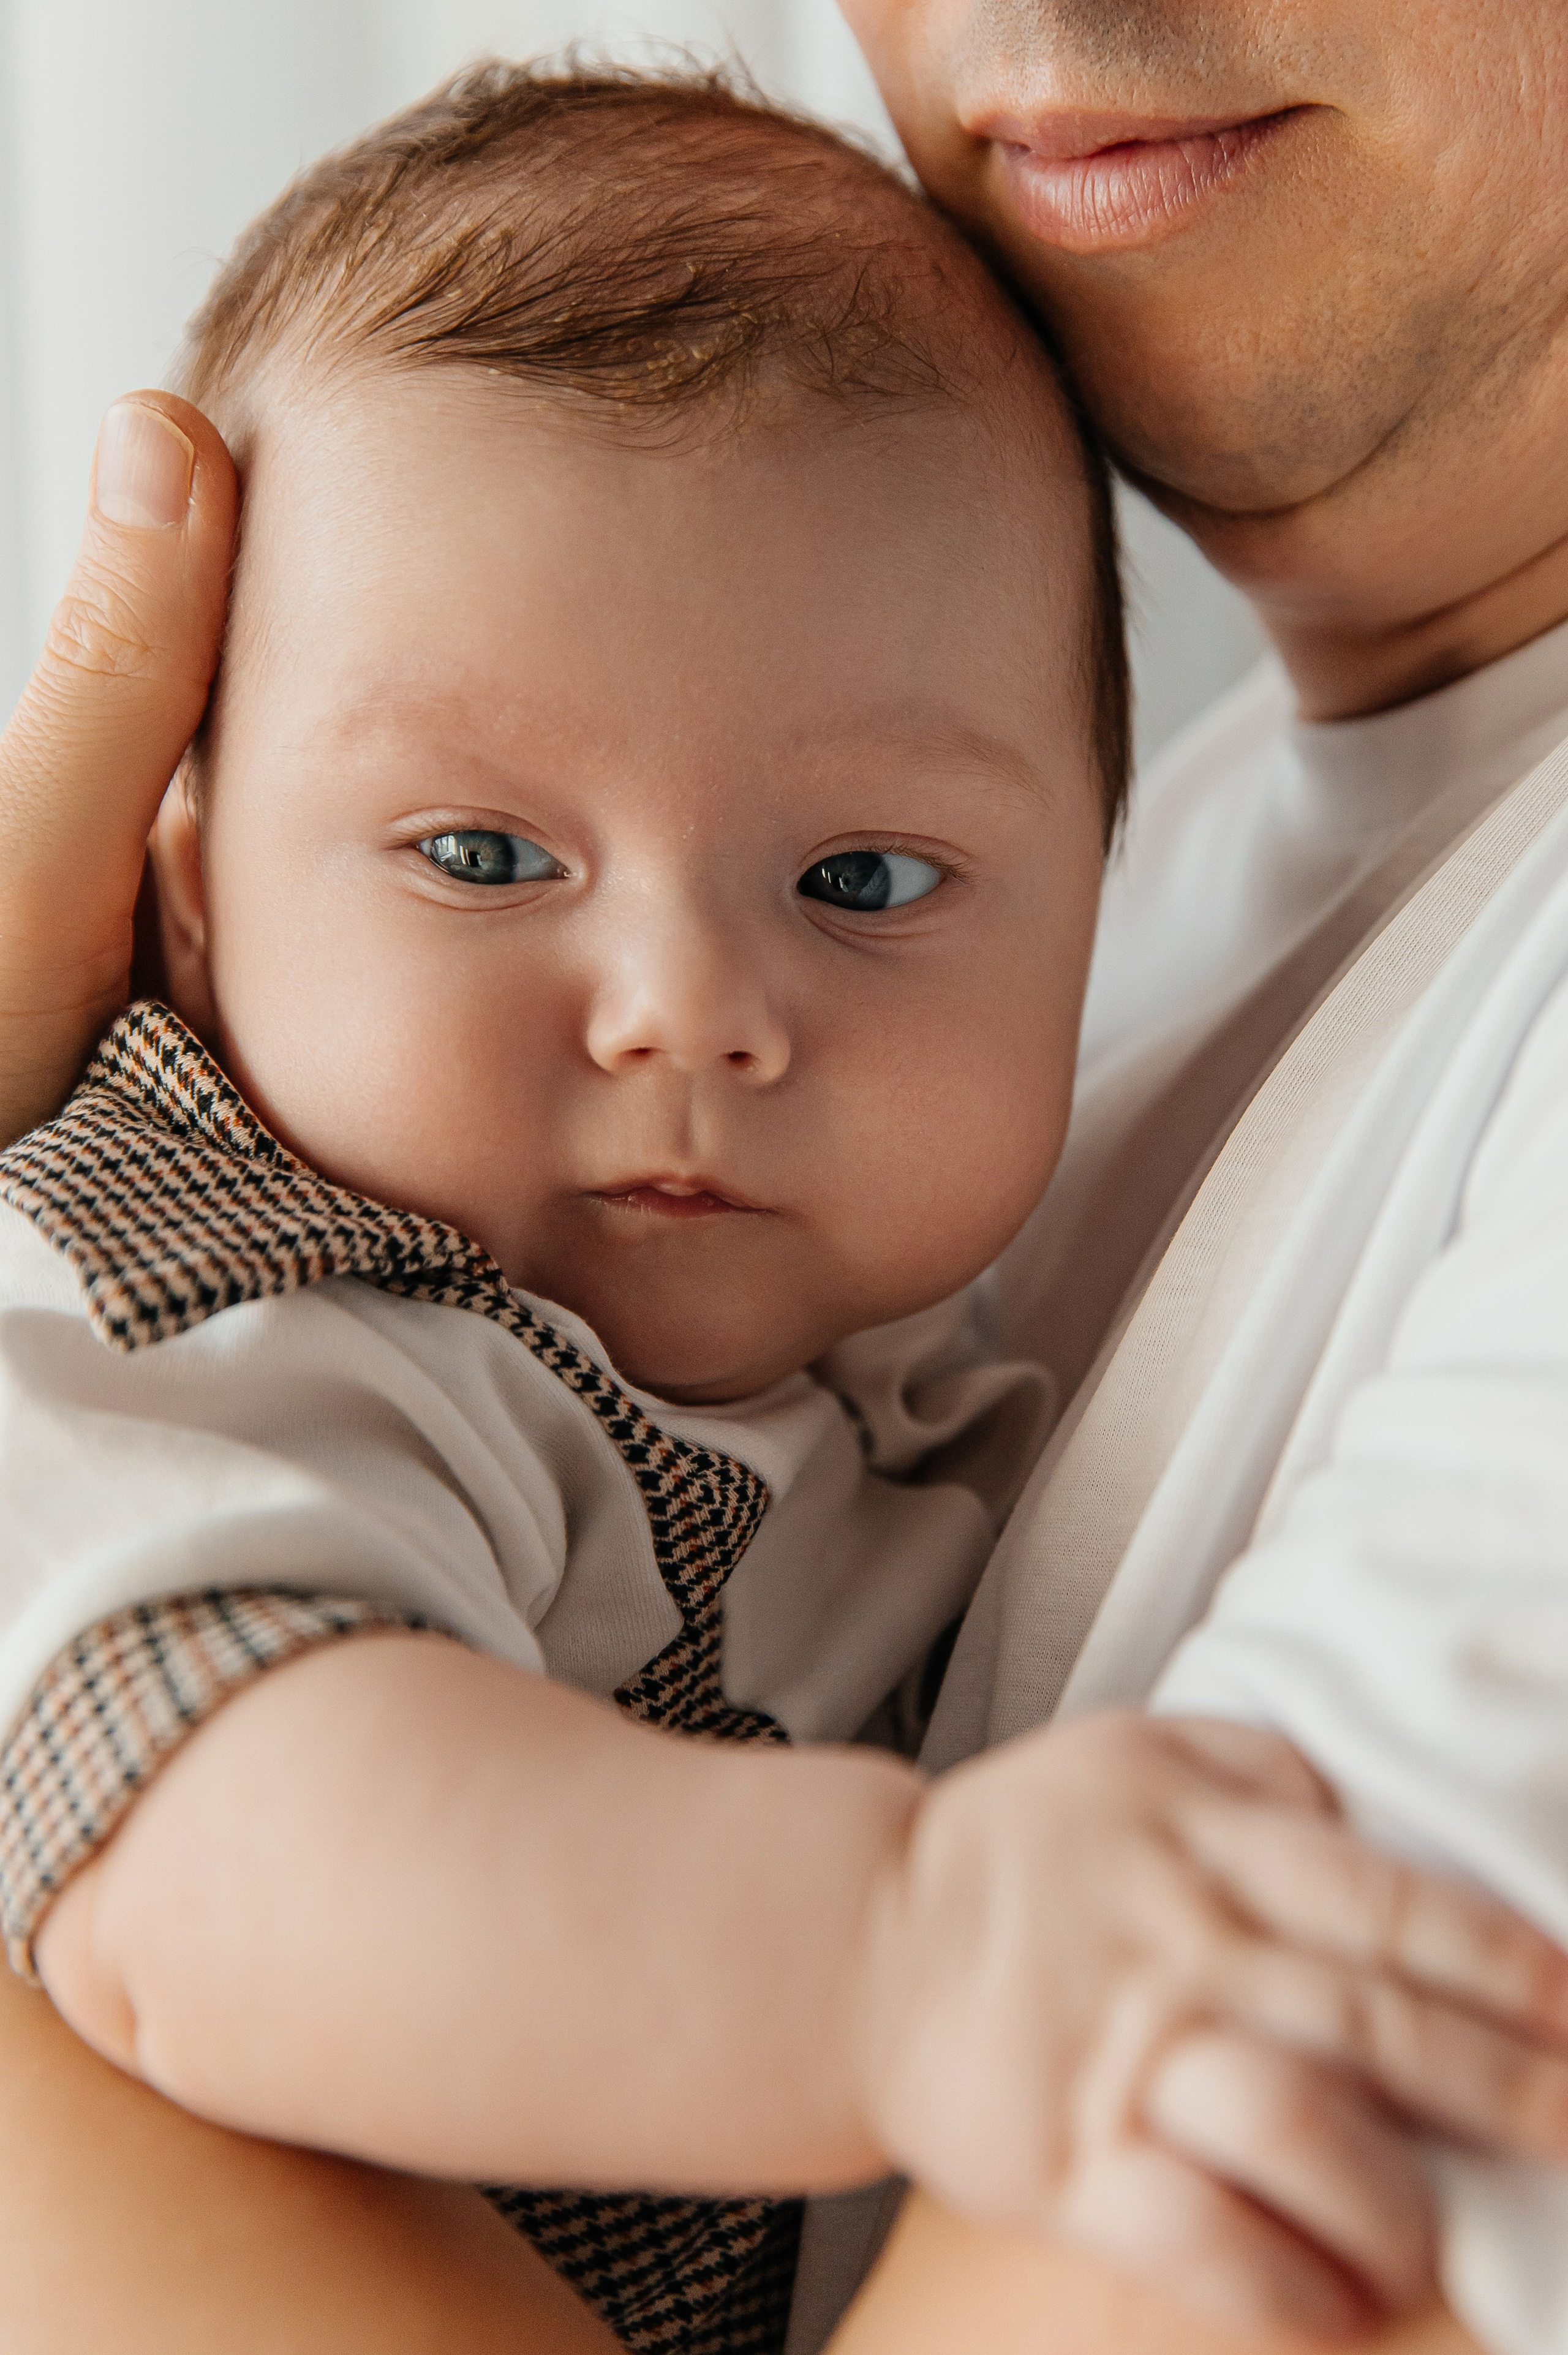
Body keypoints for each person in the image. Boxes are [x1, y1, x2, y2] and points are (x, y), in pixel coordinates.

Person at [0, 16, 1563, 2355]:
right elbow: (210, 1837)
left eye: (857, 875)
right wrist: (907, 1947)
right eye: (484, 853)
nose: (687, 1010)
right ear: (187, 885)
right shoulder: (252, 1319)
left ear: (1067, 859)